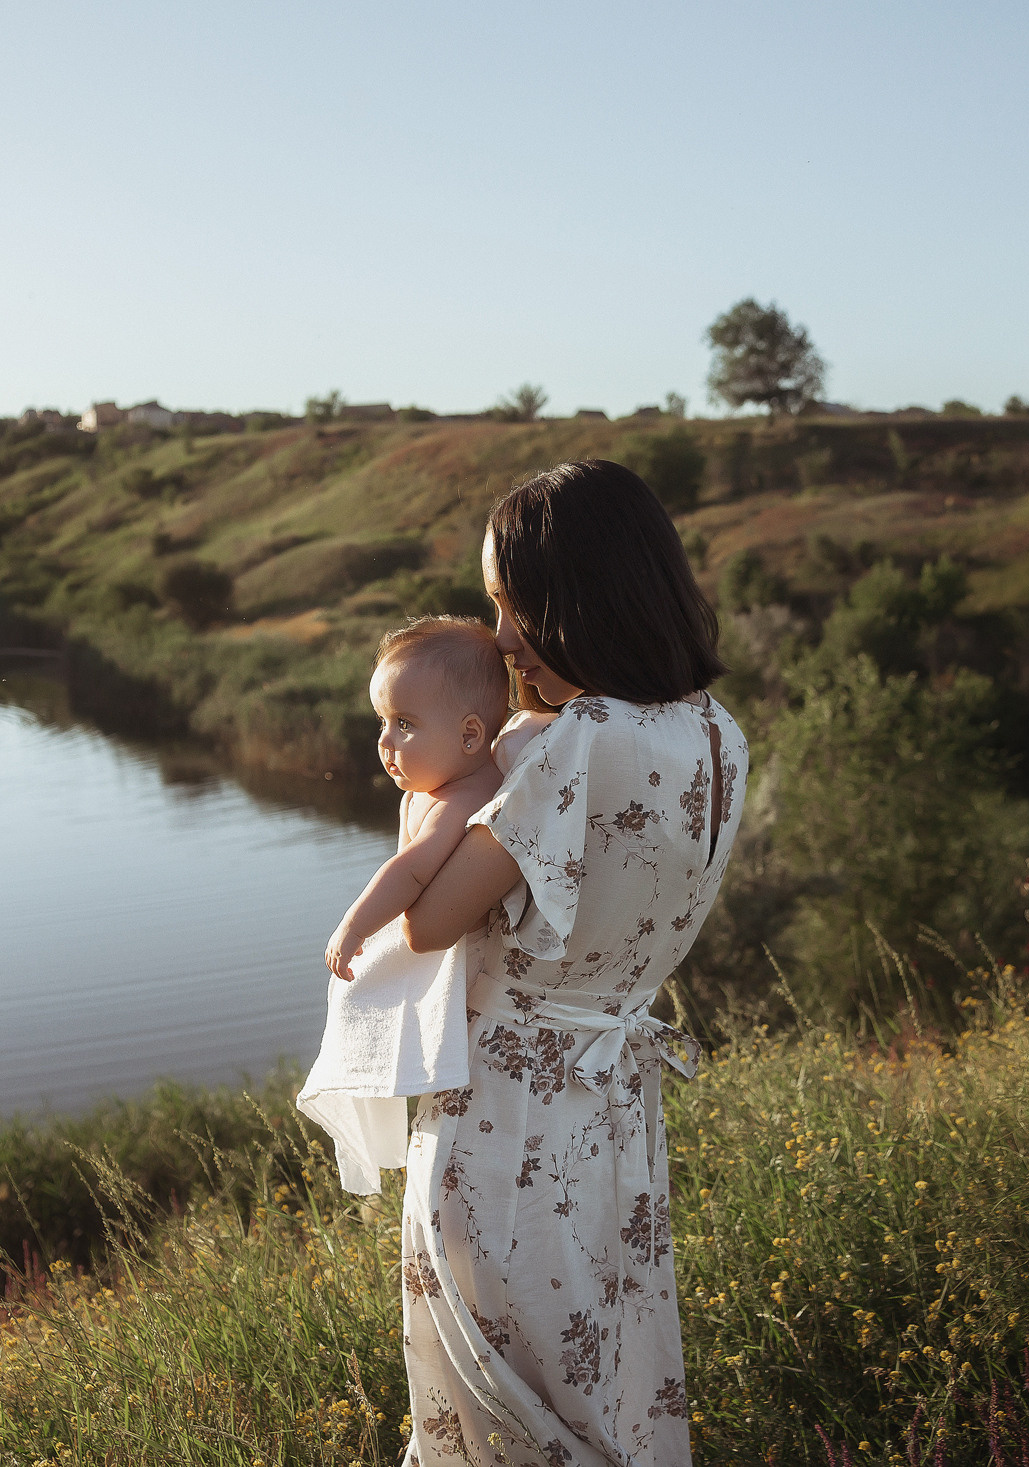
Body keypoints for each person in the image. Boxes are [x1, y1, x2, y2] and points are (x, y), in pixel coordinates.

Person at [394, 460, 749, 1466]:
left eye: (516, 605)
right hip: (612, 1121)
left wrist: (448, 768)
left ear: (583, 598)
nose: (501, 637)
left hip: (505, 1123)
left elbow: (427, 922)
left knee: (501, 1413)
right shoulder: (718, 735)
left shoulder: (572, 740)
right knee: (604, 1389)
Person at [299, 617, 514, 1194]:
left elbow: (412, 869)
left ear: (471, 736)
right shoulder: (436, 785)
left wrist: (355, 925)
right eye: (382, 723)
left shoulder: (462, 796)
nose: (384, 743)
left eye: (404, 724)